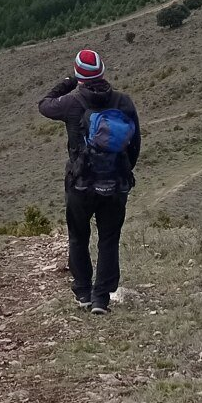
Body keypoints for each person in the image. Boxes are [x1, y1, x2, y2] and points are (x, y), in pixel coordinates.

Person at [39, 48, 140, 315]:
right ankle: (101, 299)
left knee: (78, 236)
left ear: (79, 76)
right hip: (116, 184)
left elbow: (44, 104)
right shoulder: (124, 102)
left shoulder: (71, 103)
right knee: (108, 239)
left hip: (80, 184)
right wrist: (121, 171)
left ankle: (83, 292)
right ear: (103, 71)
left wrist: (68, 82)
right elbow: (135, 145)